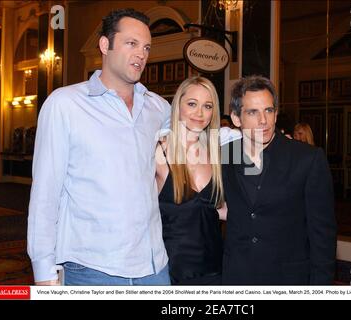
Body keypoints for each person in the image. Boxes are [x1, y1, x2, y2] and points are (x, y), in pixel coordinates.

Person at [28, 9, 171, 285]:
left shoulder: (158, 108)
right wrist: (44, 272)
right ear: (105, 45)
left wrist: (253, 136)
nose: (141, 54)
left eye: (146, 47)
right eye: (131, 44)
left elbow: (199, 140)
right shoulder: (65, 105)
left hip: (154, 267)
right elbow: (46, 193)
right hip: (91, 270)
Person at [221, 75, 337, 285]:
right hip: (238, 276)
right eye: (252, 112)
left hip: (288, 278)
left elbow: (323, 235)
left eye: (268, 110)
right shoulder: (226, 155)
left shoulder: (307, 159)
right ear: (236, 118)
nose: (263, 120)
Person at [155, 77, 225, 285]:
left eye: (208, 106)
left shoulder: (218, 154)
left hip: (216, 271)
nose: (200, 113)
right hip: (171, 275)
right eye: (192, 104)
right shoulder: (159, 152)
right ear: (178, 106)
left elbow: (216, 210)